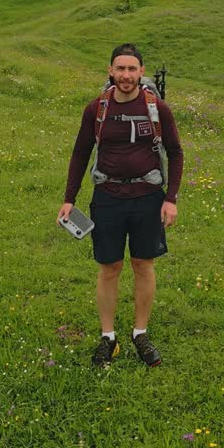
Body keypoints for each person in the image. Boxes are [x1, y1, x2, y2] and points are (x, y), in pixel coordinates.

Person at [59, 43, 183, 367]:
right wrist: (69, 199)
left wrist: (170, 199)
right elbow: (80, 152)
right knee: (109, 268)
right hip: (108, 198)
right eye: (120, 69)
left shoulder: (157, 108)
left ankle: (140, 333)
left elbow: (176, 153)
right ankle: (108, 338)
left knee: (144, 265)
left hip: (148, 198)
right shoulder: (96, 109)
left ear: (141, 72)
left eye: (132, 69)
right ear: (110, 71)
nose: (126, 75)